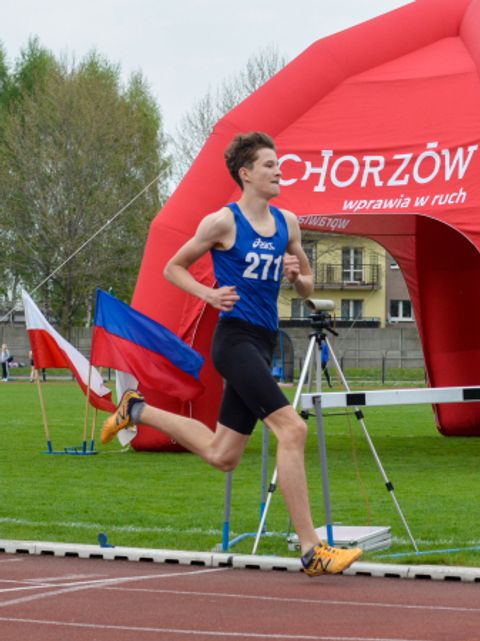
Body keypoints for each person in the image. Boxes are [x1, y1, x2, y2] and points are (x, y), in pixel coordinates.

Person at [101, 131, 362, 576]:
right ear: (246, 173)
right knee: (293, 429)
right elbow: (173, 267)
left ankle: (136, 409)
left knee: (224, 455)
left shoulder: (288, 224)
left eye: (279, 165)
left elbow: (308, 287)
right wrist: (209, 293)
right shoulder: (222, 222)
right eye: (269, 165)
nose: (279, 171)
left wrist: (297, 276)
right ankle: (311, 549)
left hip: (263, 341)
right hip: (234, 340)